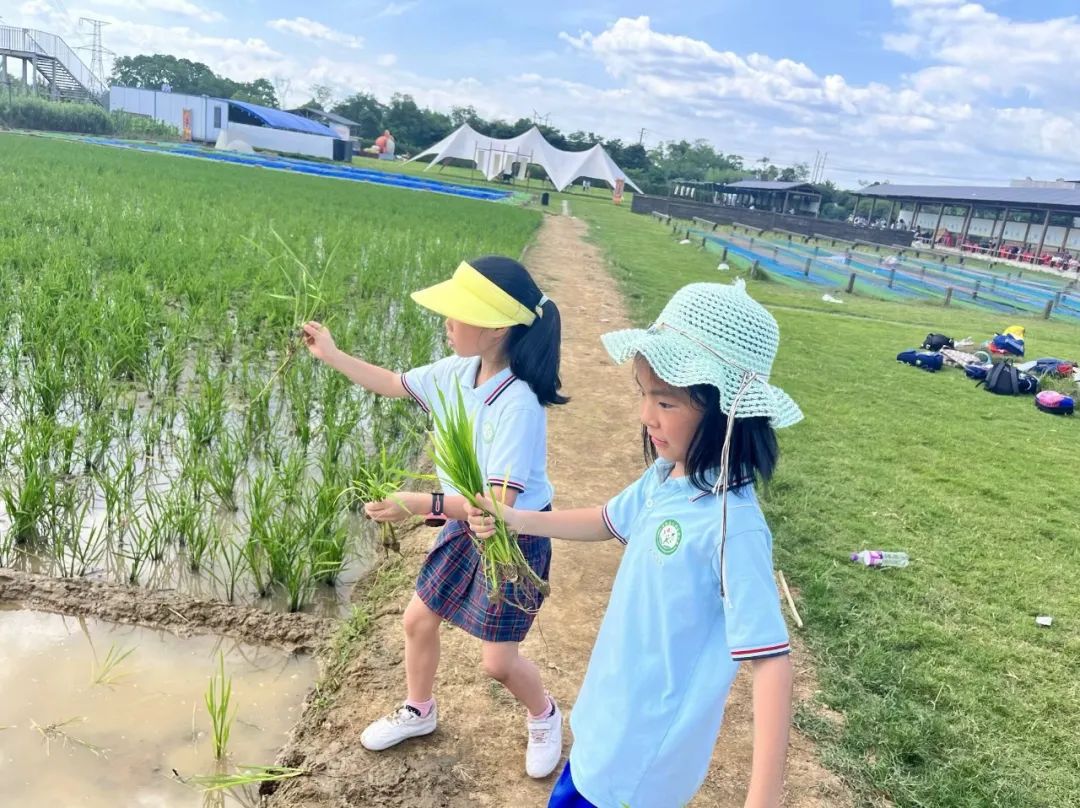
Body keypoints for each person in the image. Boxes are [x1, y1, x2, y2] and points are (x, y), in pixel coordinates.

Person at [469, 280, 803, 807]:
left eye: (665, 401)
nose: (646, 416)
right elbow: (605, 520)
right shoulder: (667, 476)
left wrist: (762, 800)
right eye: (643, 394)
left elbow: (771, 661)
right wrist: (514, 518)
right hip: (605, 724)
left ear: (725, 413)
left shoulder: (731, 526)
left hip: (642, 762)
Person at [301, 255, 568, 778]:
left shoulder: (519, 405)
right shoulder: (456, 371)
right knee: (417, 620)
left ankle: (545, 714)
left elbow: (497, 506)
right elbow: (394, 383)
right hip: (461, 526)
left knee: (498, 663)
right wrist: (331, 354)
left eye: (457, 313)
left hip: (510, 539)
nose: (446, 322)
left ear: (496, 329)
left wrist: (417, 504)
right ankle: (419, 709)